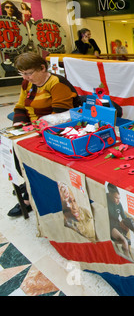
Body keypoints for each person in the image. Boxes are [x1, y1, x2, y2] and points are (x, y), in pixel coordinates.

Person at [7, 52, 81, 217]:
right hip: (33, 126)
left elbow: (60, 116)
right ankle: (29, 183)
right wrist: (18, 125)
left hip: (54, 128)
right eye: (22, 73)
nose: (26, 77)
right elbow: (20, 107)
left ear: (42, 68)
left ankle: (29, 192)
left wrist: (33, 130)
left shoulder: (57, 84)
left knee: (26, 150)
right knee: (14, 148)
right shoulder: (27, 83)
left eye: (29, 73)